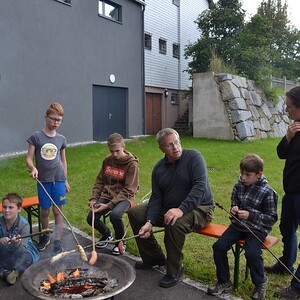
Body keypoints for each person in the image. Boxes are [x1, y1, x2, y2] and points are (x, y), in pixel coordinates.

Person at [128, 128, 214, 288]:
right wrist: (150, 221)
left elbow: (200, 187)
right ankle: (153, 257)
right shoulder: (159, 168)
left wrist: (180, 209)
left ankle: (175, 269)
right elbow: (156, 198)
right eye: (169, 145)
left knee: (174, 222)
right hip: (170, 209)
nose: (175, 147)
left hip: (201, 209)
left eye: (176, 142)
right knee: (135, 212)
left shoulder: (194, 157)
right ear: (161, 148)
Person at [207, 154, 278, 300]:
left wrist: (251, 215)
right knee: (218, 247)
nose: (243, 177)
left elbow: (271, 218)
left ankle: (260, 282)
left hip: (257, 229)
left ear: (259, 174)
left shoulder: (268, 192)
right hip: (238, 225)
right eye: (242, 173)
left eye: (248, 174)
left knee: (252, 253)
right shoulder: (238, 185)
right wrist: (234, 208)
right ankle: (224, 281)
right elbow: (234, 201)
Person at [264, 86, 300, 299]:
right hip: (291, 193)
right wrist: (287, 136)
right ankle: (286, 263)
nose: (285, 109)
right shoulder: (295, 128)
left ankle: (296, 287)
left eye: (289, 106)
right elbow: (280, 154)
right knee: (287, 228)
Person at [26, 102, 70, 254]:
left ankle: (57, 241)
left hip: (58, 179)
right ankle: (45, 237)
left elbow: (63, 160)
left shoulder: (61, 139)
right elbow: (29, 158)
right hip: (43, 180)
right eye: (53, 119)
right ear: (45, 117)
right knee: (44, 211)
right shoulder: (36, 137)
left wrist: (65, 179)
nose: (55, 123)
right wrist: (33, 168)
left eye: (59, 120)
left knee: (58, 211)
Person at [86, 133, 139, 255]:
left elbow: (129, 189)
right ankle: (107, 234)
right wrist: (94, 198)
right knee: (91, 218)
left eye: (117, 151)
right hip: (108, 195)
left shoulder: (132, 164)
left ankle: (120, 242)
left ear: (123, 146)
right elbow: (100, 180)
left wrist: (109, 205)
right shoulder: (107, 160)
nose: (114, 154)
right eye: (111, 151)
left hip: (125, 197)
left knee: (115, 215)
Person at [0, 193, 40, 285]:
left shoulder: (24, 225)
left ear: (19, 209)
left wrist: (17, 244)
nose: (6, 210)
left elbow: (22, 250)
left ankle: (14, 271)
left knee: (26, 258)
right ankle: (4, 273)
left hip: (22, 251)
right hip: (4, 251)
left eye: (11, 207)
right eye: (4, 207)